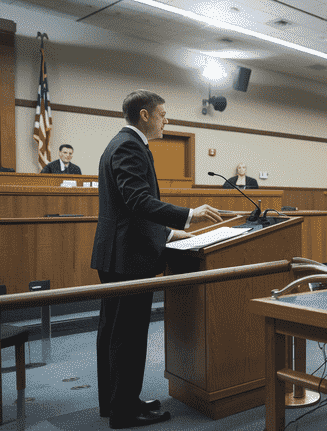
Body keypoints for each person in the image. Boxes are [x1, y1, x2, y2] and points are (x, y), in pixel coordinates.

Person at [91, 90, 223, 429]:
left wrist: (167, 234)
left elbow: (128, 209)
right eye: (163, 114)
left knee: (114, 332)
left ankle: (117, 401)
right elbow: (137, 200)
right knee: (128, 335)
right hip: (127, 259)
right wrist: (188, 215)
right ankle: (124, 412)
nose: (167, 120)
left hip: (120, 253)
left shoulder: (122, 144)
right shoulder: (128, 146)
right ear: (145, 115)